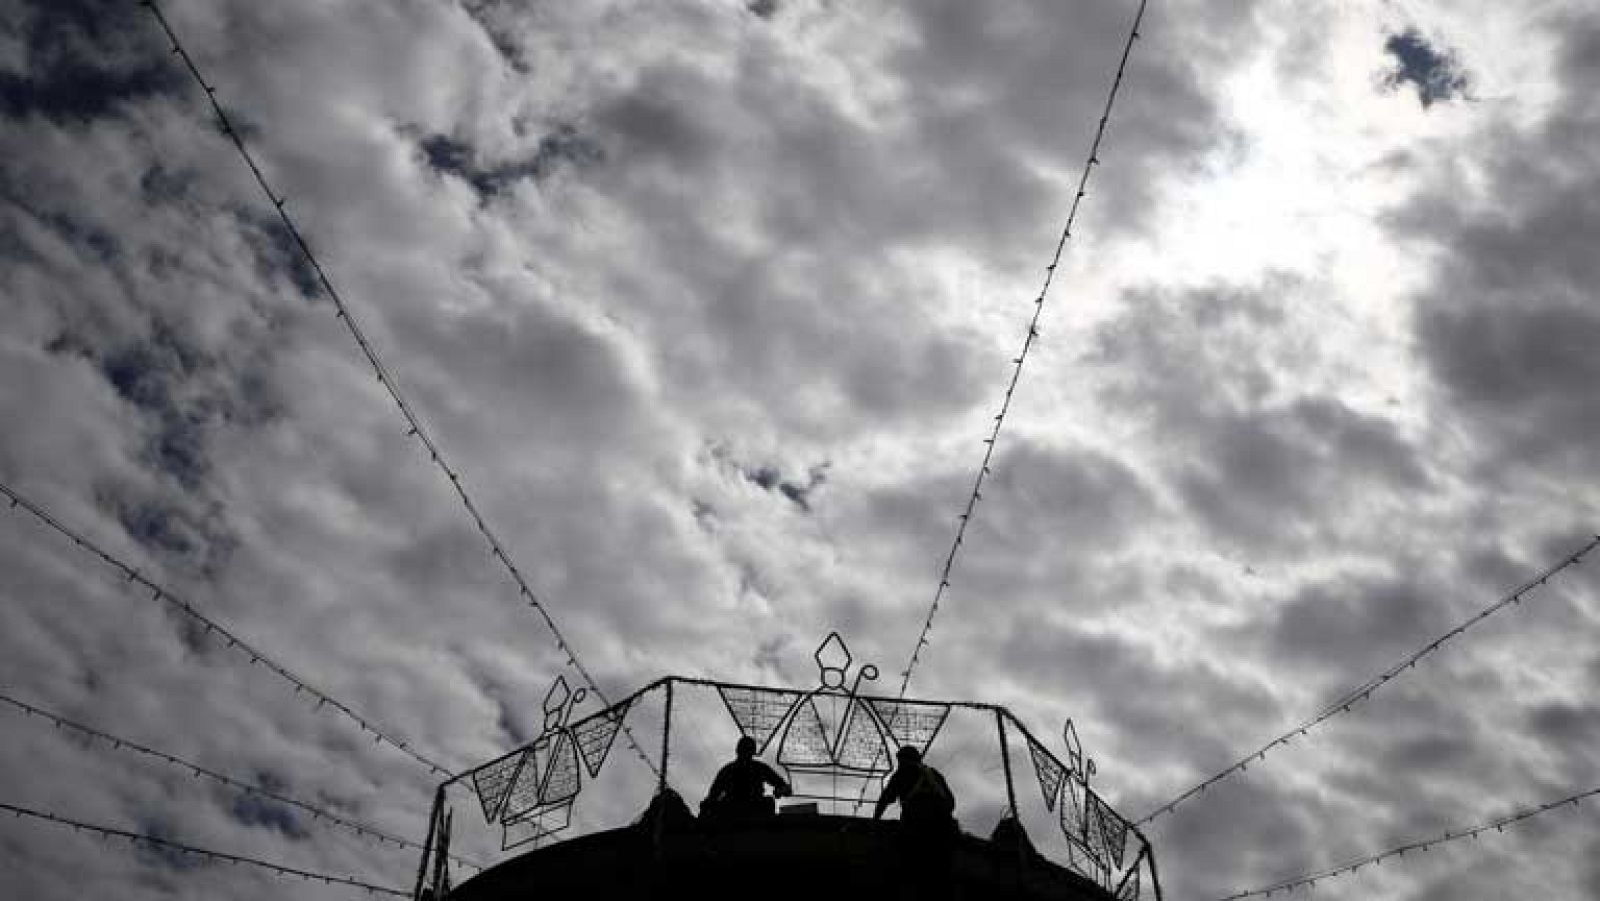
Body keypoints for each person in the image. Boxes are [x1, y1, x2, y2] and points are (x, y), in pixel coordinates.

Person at [701, 735, 791, 821]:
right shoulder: (729, 770)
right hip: (734, 810)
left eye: (748, 750)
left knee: (768, 802)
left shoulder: (757, 768)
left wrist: (781, 790)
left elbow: (785, 788)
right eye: (745, 750)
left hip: (753, 809)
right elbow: (713, 796)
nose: (746, 754)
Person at [873, 745, 955, 829]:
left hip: (915, 822)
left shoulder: (902, 774)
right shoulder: (933, 773)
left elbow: (885, 799)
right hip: (943, 823)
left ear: (903, 759)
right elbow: (951, 801)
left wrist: (875, 820)